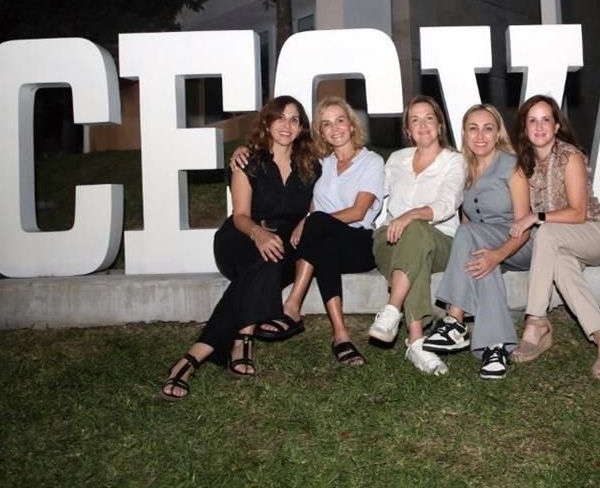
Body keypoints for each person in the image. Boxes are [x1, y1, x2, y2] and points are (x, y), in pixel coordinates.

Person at [160, 96, 320, 401]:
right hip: (240, 238)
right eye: (280, 118)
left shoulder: (311, 168)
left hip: (281, 250)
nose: (286, 125)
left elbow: (315, 210)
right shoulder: (249, 162)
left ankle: (195, 357)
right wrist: (259, 233)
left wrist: (305, 222)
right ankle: (238, 342)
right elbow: (240, 216)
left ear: (301, 128)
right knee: (266, 256)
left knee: (271, 258)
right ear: (268, 122)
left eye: (294, 119)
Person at [509, 95, 600, 379]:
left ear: (557, 125)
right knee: (560, 266)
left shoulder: (569, 156)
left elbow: (579, 213)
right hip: (559, 242)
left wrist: (538, 217)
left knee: (545, 231)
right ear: (524, 127)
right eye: (532, 120)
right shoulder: (521, 168)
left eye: (546, 119)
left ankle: (535, 322)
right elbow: (521, 222)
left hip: (597, 232)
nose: (539, 126)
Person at [425, 104, 533, 380]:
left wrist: (498, 255)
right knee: (480, 260)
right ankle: (495, 349)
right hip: (484, 245)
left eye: (488, 128)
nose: (480, 135)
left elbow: (524, 228)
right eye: (473, 128)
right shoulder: (465, 170)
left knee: (476, 242)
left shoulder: (513, 166)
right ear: (464, 133)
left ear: (498, 133)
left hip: (518, 244)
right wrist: (487, 258)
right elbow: (464, 224)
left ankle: (455, 319)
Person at [281, 97, 384, 366]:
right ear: (321, 132)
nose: (334, 128)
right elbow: (279, 149)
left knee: (317, 224)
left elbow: (358, 212)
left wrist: (309, 220)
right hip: (327, 245)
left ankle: (292, 305)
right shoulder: (322, 164)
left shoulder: (371, 162)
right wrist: (239, 152)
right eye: (326, 124)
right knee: (322, 243)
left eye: (340, 120)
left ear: (351, 125)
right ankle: (341, 335)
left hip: (360, 244)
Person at [368, 95, 465, 376]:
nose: (422, 125)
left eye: (429, 118)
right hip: (390, 239)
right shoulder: (396, 159)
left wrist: (411, 214)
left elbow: (447, 204)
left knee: (418, 231)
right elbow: (375, 198)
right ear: (408, 130)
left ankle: (393, 310)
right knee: (414, 251)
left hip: (441, 240)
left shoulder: (454, 162)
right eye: (415, 120)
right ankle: (416, 343)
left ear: (440, 125)